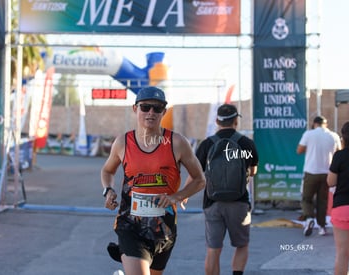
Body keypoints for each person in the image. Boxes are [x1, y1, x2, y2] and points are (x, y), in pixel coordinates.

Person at [100, 86, 206, 275]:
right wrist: (108, 190)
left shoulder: (177, 143)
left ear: (164, 112)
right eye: (145, 107)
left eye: (157, 108)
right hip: (130, 225)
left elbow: (199, 179)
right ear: (135, 109)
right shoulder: (123, 142)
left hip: (164, 228)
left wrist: (178, 196)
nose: (151, 112)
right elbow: (107, 171)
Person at [188, 104, 258, 275]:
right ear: (236, 121)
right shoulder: (246, 143)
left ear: (217, 121)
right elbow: (252, 172)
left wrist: (182, 195)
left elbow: (195, 174)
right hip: (239, 201)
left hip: (212, 202)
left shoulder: (206, 144)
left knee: (213, 249)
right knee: (241, 244)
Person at [327, 120, 349, 275]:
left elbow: (331, 182)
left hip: (344, 207)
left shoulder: (339, 156)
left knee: (343, 253)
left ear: (343, 137)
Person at [297, 115, 341, 236]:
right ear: (325, 124)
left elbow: (299, 150)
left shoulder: (309, 134)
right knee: (323, 201)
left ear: (314, 124)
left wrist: (311, 149)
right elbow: (339, 153)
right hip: (327, 173)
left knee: (306, 199)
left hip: (311, 172)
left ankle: (309, 218)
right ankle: (322, 227)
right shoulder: (334, 135)